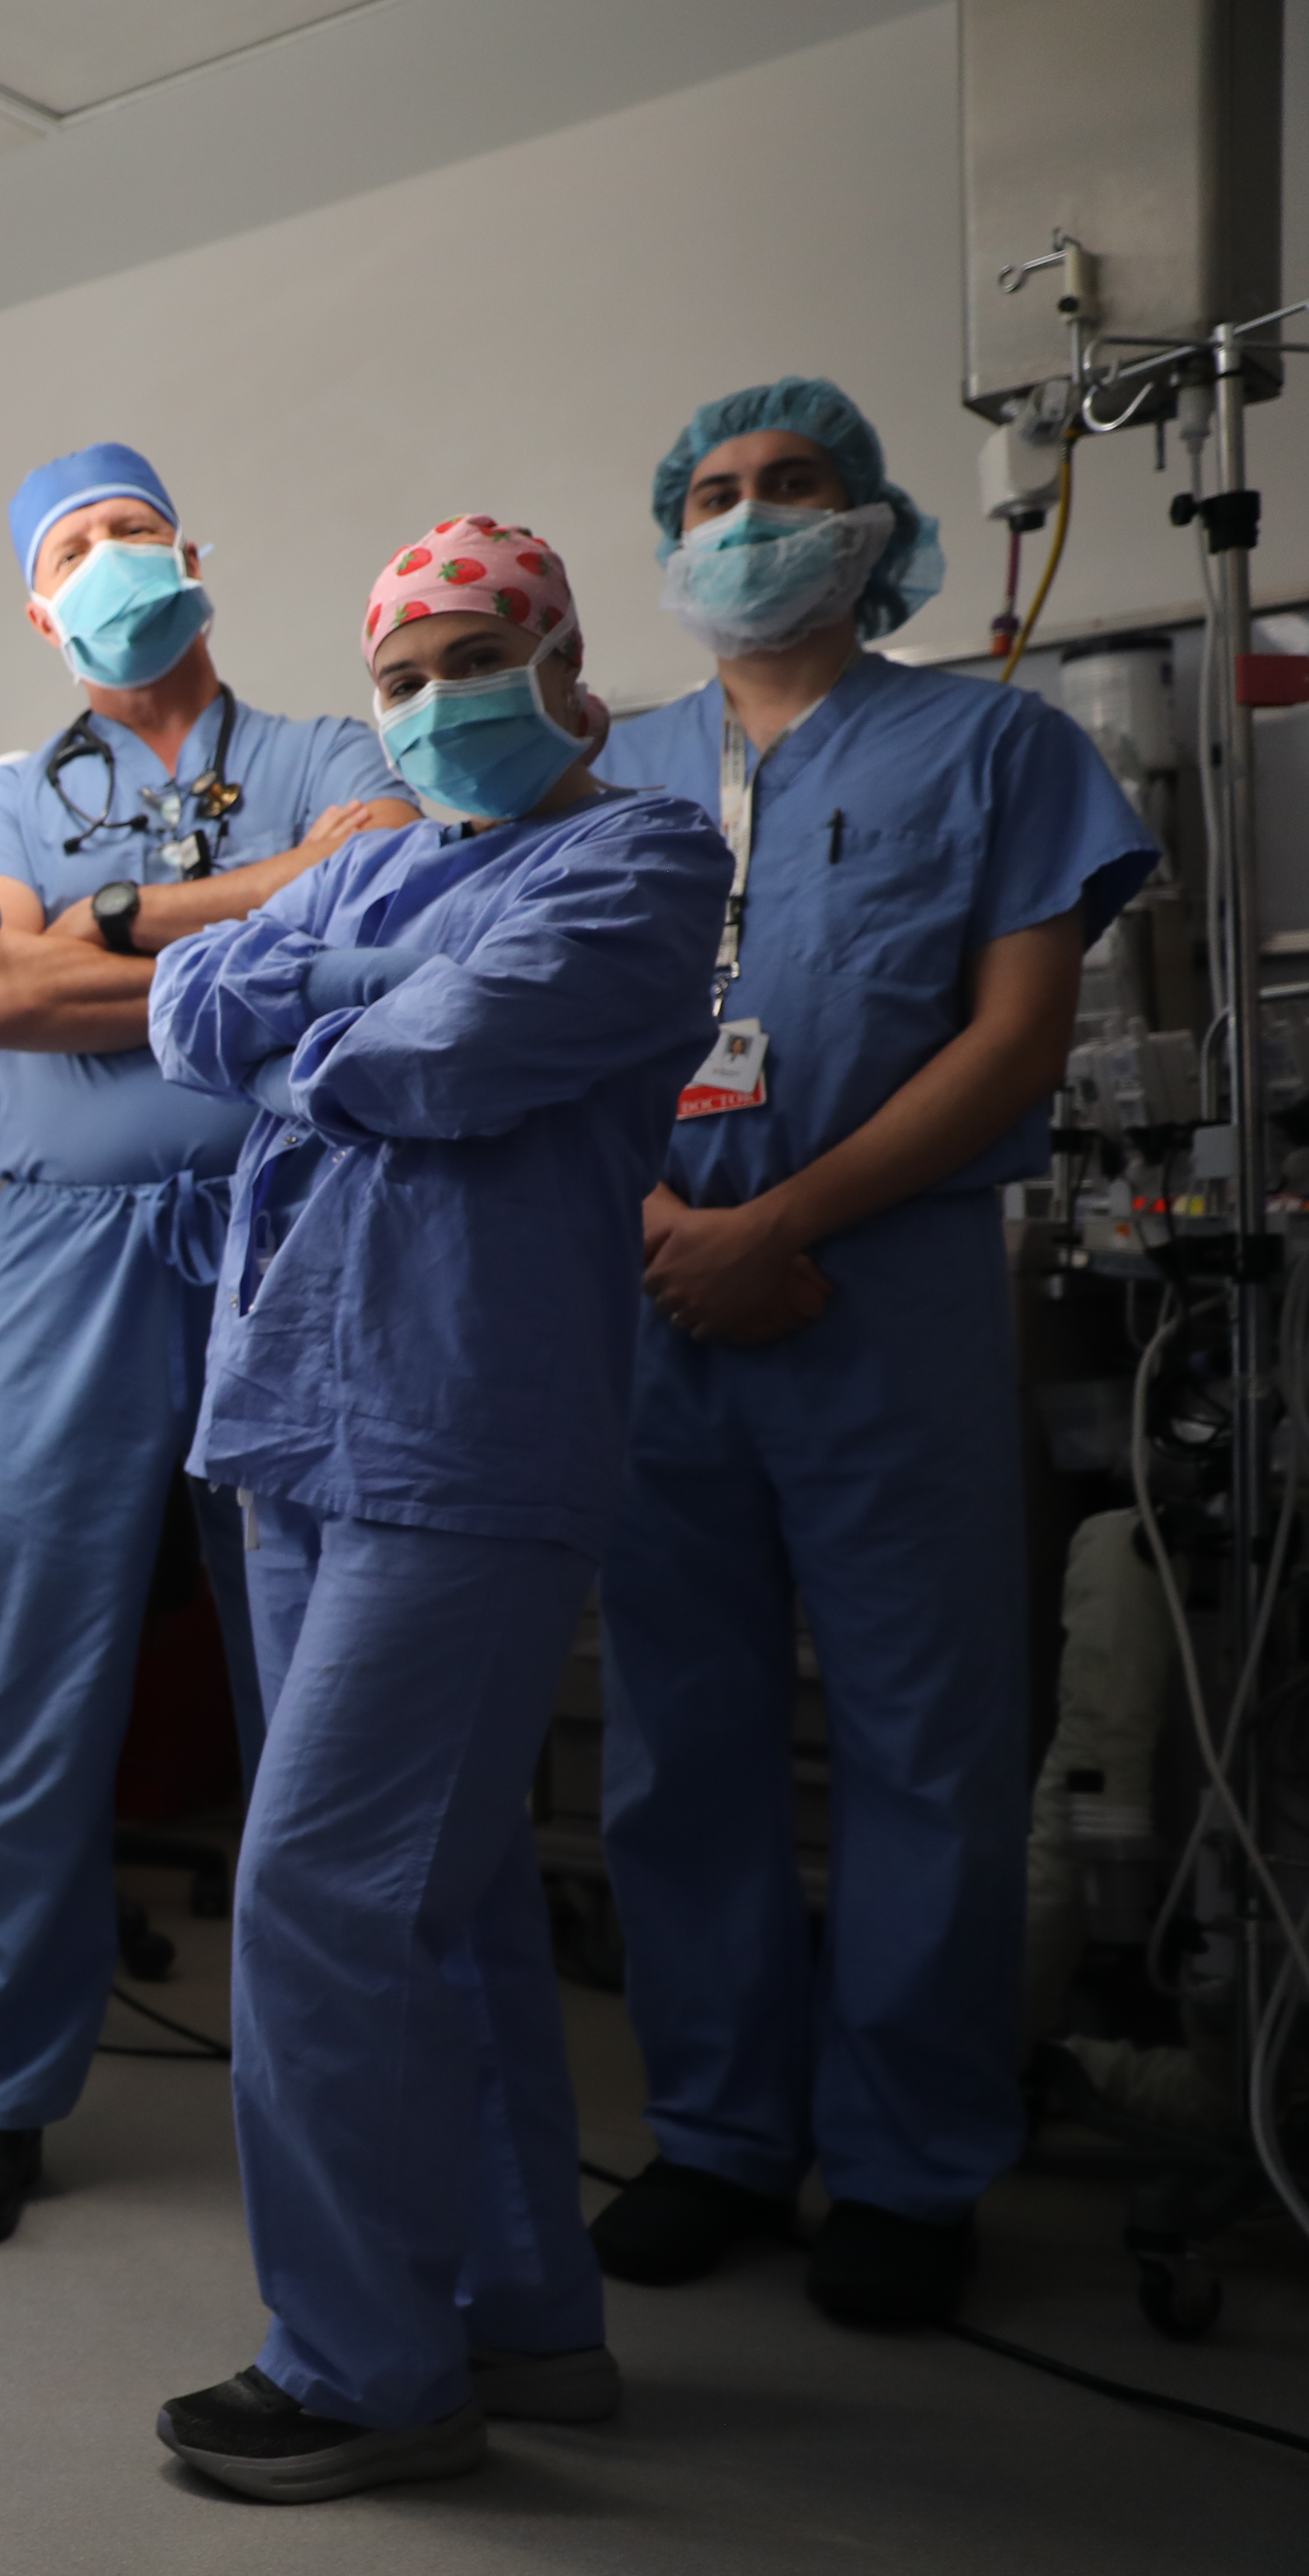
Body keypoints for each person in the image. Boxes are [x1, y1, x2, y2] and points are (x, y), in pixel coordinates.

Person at [144, 514, 730, 2501]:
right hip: (303, 1430)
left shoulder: (647, 853)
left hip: (468, 1438)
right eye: (394, 679)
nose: (425, 705)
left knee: (319, 1899)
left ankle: (368, 2373)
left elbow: (457, 1052)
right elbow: (183, 1013)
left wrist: (332, 993)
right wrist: (355, 988)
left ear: (563, 667)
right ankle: (523, 2318)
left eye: (468, 659)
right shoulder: (396, 858)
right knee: (450, 1906)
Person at [590, 378, 1154, 2327]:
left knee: (930, 1740)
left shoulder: (989, 747)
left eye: (791, 487)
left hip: (884, 1288)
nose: (749, 519)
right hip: (647, 1291)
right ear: (672, 540)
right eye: (716, 492)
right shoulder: (607, 767)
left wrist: (782, 1223)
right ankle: (724, 2133)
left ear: (871, 522)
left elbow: (1016, 1041)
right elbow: (551, 1036)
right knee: (682, 1741)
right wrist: (664, 1227)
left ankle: (915, 2161)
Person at [0, 442, 417, 2247]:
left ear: (190, 555)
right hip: (72, 1250)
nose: (111, 564)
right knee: (31, 1661)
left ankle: (338, 2078)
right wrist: (248, 919)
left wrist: (100, 937)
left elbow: (380, 935)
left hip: (296, 1227)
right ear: (38, 609)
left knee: (321, 1669)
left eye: (132, 532)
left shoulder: (337, 756)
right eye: (74, 550)